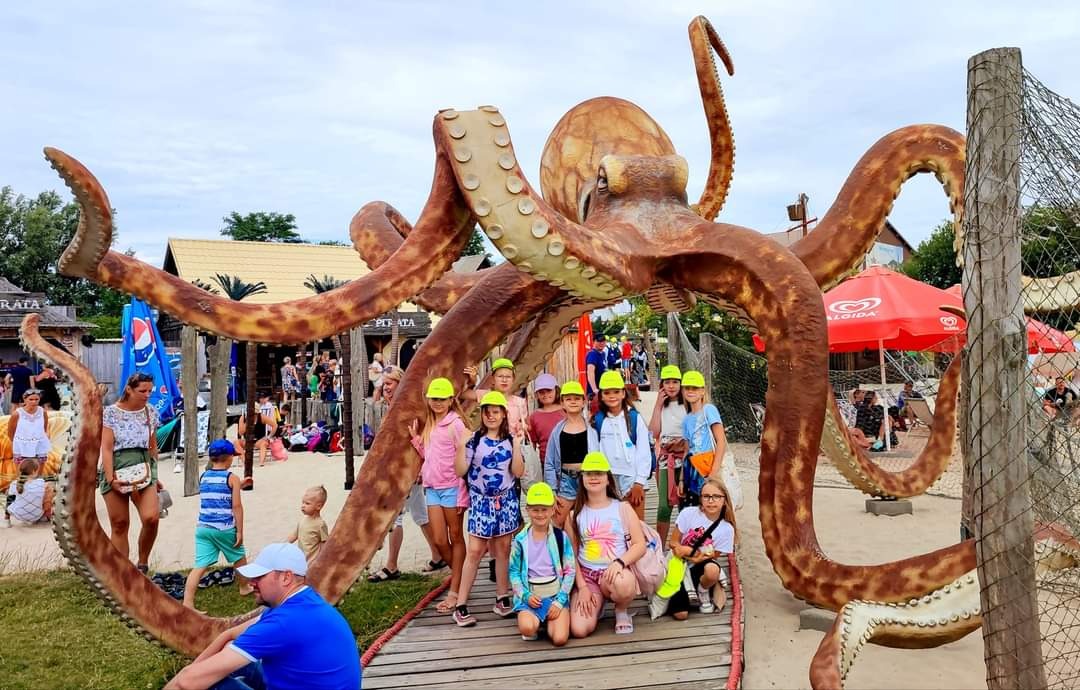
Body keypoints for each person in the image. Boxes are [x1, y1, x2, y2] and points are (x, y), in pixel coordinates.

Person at [164, 543, 361, 690]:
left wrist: (186, 676)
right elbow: (230, 635)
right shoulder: (301, 602)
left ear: (286, 577)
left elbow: (186, 682)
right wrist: (191, 670)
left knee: (212, 684)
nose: (251, 583)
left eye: (259, 577)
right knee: (217, 666)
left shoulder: (282, 623)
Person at [451, 391, 524, 626]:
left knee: (503, 548)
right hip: (481, 501)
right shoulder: (474, 440)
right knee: (475, 551)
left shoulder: (510, 440)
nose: (491, 416)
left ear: (504, 414)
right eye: (487, 412)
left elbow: (518, 472)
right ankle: (461, 603)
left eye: (496, 412)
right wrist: (462, 445)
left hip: (506, 499)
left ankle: (502, 597)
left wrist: (518, 446)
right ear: (482, 414)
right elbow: (460, 471)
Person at [367, 366, 443, 581]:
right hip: (396, 471)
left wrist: (419, 467)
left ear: (401, 385)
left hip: (406, 472)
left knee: (396, 518)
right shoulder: (390, 409)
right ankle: (437, 556)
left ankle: (391, 566)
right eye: (384, 384)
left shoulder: (407, 411)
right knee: (420, 514)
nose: (385, 388)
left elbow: (421, 439)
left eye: (389, 383)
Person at [568, 452, 647, 637]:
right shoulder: (575, 514)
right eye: (588, 473)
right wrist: (582, 588)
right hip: (587, 576)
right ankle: (599, 603)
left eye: (599, 473)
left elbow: (639, 544)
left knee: (624, 584)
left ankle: (621, 611)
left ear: (607, 478)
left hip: (614, 572)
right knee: (579, 629)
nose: (594, 477)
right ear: (582, 478)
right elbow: (570, 556)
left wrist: (620, 562)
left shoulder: (622, 508)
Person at [409, 377, 469, 613]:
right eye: (434, 399)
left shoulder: (456, 424)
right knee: (439, 539)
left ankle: (456, 590)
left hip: (452, 487)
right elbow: (430, 453)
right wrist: (416, 439)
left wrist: (465, 490)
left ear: (450, 400)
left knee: (455, 536)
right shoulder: (430, 425)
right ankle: (460, 576)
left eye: (442, 399)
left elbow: (466, 453)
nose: (438, 403)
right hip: (433, 488)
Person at [100, 372, 162, 573]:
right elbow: (106, 448)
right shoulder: (110, 412)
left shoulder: (150, 411)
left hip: (143, 464)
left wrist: (156, 475)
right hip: (116, 464)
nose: (147, 395)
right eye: (142, 391)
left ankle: (142, 562)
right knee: (119, 523)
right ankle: (122, 572)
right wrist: (110, 478)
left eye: (150, 391)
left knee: (151, 517)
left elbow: (153, 446)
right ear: (129, 389)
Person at [183, 439, 251, 609]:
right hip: (224, 528)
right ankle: (244, 587)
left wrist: (239, 485)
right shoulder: (232, 477)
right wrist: (240, 531)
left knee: (199, 566)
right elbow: (236, 506)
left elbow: (217, 492)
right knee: (239, 558)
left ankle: (187, 603)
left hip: (203, 528)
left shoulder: (204, 476)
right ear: (228, 458)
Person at [510, 482, 575, 645]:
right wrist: (525, 595)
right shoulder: (520, 540)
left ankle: (551, 620)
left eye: (544, 509)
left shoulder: (561, 537)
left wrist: (560, 600)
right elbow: (514, 572)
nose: (540, 514)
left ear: (552, 510)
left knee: (559, 639)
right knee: (527, 628)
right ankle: (535, 621)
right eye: (535, 510)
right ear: (528, 510)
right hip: (531, 594)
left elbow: (570, 570)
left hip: (555, 594)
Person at [666, 478, 737, 618]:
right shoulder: (688, 514)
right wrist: (686, 552)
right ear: (701, 499)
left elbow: (713, 556)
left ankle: (703, 589)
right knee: (681, 614)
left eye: (716, 496)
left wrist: (694, 556)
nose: (711, 501)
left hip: (701, 563)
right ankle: (680, 591)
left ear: (724, 500)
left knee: (712, 569)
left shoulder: (727, 529)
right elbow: (673, 542)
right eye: (706, 496)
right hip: (680, 563)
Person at [593, 370, 651, 520]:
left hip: (632, 477)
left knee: (637, 522)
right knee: (614, 522)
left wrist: (639, 483)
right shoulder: (597, 421)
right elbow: (593, 452)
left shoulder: (634, 418)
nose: (612, 396)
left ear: (623, 393)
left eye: (616, 391)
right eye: (607, 392)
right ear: (601, 395)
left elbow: (644, 452)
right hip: (608, 478)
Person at [543, 381, 599, 526]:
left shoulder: (592, 429)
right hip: (566, 481)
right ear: (562, 403)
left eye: (577, 398)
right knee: (557, 522)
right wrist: (552, 490)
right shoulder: (557, 431)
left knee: (590, 522)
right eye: (568, 399)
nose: (573, 402)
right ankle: (559, 548)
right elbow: (549, 462)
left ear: (583, 401)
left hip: (588, 480)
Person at [648, 365, 689, 545]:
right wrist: (657, 405)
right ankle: (660, 547)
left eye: (675, 382)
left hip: (686, 457)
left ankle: (686, 545)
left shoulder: (687, 403)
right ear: (662, 384)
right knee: (664, 505)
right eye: (667, 382)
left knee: (685, 504)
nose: (671, 386)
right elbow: (654, 433)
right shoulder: (661, 405)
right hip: (667, 458)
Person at [680, 370, 729, 507]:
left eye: (695, 388)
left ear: (702, 391)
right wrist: (682, 479)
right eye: (687, 388)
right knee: (695, 508)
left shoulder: (709, 409)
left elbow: (721, 440)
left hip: (709, 467)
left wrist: (714, 472)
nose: (690, 391)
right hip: (693, 469)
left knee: (713, 507)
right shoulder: (686, 420)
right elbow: (686, 451)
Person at [527, 373, 564, 465]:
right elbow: (532, 444)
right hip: (546, 463)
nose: (545, 394)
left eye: (549, 391)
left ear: (556, 391)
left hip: (568, 460)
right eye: (541, 392)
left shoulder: (566, 411)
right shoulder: (534, 417)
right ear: (536, 395)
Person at [6, 457, 54, 525]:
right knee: (49, 491)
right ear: (34, 471)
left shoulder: (14, 483)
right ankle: (47, 516)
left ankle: (7, 518)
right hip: (37, 516)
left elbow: (10, 497)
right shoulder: (42, 483)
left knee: (9, 494)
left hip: (19, 515)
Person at [8, 389, 51, 465]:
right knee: (21, 466)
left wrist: (45, 437)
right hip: (22, 444)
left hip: (39, 443)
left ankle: (38, 476)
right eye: (31, 399)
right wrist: (17, 443)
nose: (34, 402)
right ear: (25, 399)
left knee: (40, 463)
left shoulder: (43, 412)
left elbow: (45, 427)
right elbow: (10, 432)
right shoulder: (17, 414)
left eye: (36, 399)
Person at [287, 485, 330, 561]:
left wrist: (321, 559)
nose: (303, 506)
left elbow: (324, 543)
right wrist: (283, 545)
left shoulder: (320, 524)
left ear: (318, 506)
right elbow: (294, 535)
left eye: (307, 503)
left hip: (312, 560)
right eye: (303, 502)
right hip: (301, 558)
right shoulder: (302, 521)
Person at [585, 334, 607, 413]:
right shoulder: (592, 354)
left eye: (603, 341)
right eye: (599, 341)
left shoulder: (602, 354)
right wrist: (594, 389)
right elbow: (590, 372)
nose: (601, 343)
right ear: (594, 342)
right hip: (594, 391)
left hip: (602, 389)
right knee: (595, 415)